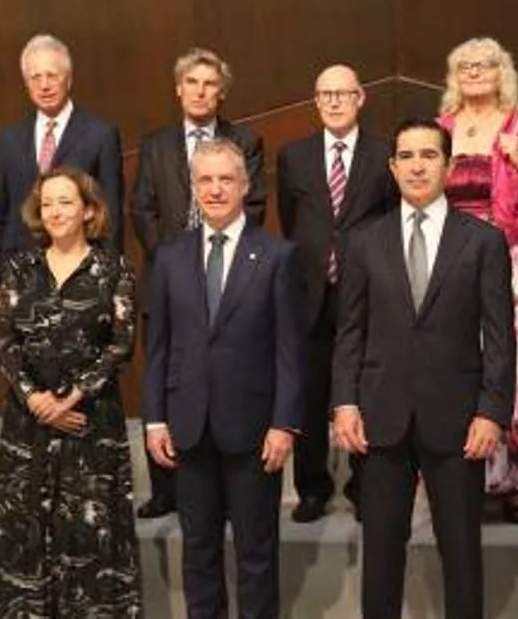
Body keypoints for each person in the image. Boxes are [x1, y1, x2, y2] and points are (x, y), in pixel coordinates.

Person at [333, 119, 513, 619]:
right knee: (381, 557)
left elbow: (500, 337)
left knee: (461, 556)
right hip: (380, 419)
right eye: (407, 156)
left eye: (428, 155)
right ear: (392, 167)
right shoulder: (363, 242)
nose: (417, 166)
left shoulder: (482, 241)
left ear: (449, 166)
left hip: (459, 422)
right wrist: (344, 401)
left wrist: (492, 411)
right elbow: (349, 331)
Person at [144, 139, 305, 619]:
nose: (215, 190)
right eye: (205, 180)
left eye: (225, 180)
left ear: (245, 186)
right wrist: (155, 419)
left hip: (255, 430)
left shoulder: (276, 255)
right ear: (193, 187)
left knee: (256, 553)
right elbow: (157, 348)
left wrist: (285, 424)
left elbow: (291, 350)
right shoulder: (170, 257)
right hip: (189, 426)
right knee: (199, 550)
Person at [0, 168, 141, 617]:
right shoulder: (18, 267)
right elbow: (3, 342)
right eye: (47, 202)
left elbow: (121, 345)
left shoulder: (113, 268)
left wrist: (70, 397)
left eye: (66, 201)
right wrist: (36, 399)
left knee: (89, 541)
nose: (55, 211)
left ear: (88, 210)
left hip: (90, 424)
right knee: (24, 538)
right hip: (27, 424)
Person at [436, 36, 518, 522]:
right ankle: (467, 475)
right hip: (450, 263)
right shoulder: (440, 129)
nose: (474, 72)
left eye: (484, 65)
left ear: (502, 73)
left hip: (510, 258)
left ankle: (516, 482)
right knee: (459, 365)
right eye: (465, 65)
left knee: (511, 372)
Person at [129, 47, 266, 518]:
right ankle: (167, 490)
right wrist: (177, 260)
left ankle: (224, 487)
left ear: (222, 92)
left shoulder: (244, 140)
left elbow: (255, 206)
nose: (201, 91)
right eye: (192, 82)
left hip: (229, 281)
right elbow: (142, 209)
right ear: (178, 89)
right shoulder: (155, 144)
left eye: (210, 84)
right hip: (168, 280)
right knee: (168, 376)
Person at [274, 64, 399, 521]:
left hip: (366, 295)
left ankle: (366, 485)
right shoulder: (293, 156)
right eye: (324, 94)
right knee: (309, 394)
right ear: (315, 100)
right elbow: (292, 221)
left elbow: (389, 225)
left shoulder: (385, 153)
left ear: (361, 97)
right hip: (309, 295)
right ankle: (312, 486)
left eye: (342, 93)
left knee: (367, 391)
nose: (333, 102)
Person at [0, 33, 124, 319]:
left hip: (81, 273)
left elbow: (111, 213)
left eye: (52, 75)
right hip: (19, 272)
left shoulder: (100, 135)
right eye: (35, 77)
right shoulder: (8, 139)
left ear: (69, 79)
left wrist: (110, 278)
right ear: (26, 84)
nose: (44, 85)